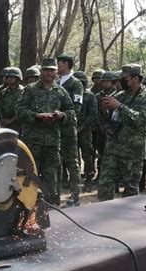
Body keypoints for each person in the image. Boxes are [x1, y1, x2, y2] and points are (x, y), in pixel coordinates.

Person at [17, 58, 74, 206]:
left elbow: (72, 112)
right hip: (32, 141)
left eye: (52, 70)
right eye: (46, 70)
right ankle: (28, 205)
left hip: (53, 142)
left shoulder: (61, 92)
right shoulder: (30, 90)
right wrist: (37, 116)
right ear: (41, 71)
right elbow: (20, 110)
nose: (49, 73)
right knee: (30, 173)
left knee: (51, 175)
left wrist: (61, 115)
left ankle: (51, 204)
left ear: (56, 72)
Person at [98, 64, 146, 201]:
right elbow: (110, 119)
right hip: (113, 147)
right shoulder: (120, 95)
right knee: (105, 183)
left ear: (135, 78)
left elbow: (142, 120)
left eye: (124, 78)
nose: (120, 82)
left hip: (132, 150)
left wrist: (119, 106)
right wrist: (105, 109)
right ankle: (103, 215)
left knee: (130, 187)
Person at [56, 53, 83, 206]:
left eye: (59, 64)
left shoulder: (75, 83)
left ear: (66, 64)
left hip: (67, 129)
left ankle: (75, 196)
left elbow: (76, 107)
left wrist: (62, 115)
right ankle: (55, 195)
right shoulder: (57, 83)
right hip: (54, 129)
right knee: (56, 163)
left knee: (72, 163)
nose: (57, 67)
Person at [73, 71, 98, 192]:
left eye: (81, 82)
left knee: (87, 154)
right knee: (73, 156)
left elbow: (93, 114)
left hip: (85, 130)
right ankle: (75, 179)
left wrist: (81, 128)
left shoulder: (90, 95)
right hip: (72, 130)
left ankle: (89, 177)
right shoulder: (71, 94)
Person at [94, 71, 118, 183]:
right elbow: (95, 113)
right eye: (103, 81)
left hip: (113, 129)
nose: (104, 83)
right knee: (101, 153)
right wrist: (100, 126)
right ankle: (100, 174)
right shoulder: (98, 96)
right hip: (101, 129)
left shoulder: (118, 95)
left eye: (107, 81)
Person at [0, 67, 24, 132]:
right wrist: (2, 120)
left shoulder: (23, 91)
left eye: (12, 77)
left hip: (18, 125)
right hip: (5, 124)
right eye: (8, 77)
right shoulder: (3, 92)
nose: (9, 79)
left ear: (17, 78)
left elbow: (22, 109)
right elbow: (0, 107)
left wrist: (11, 121)